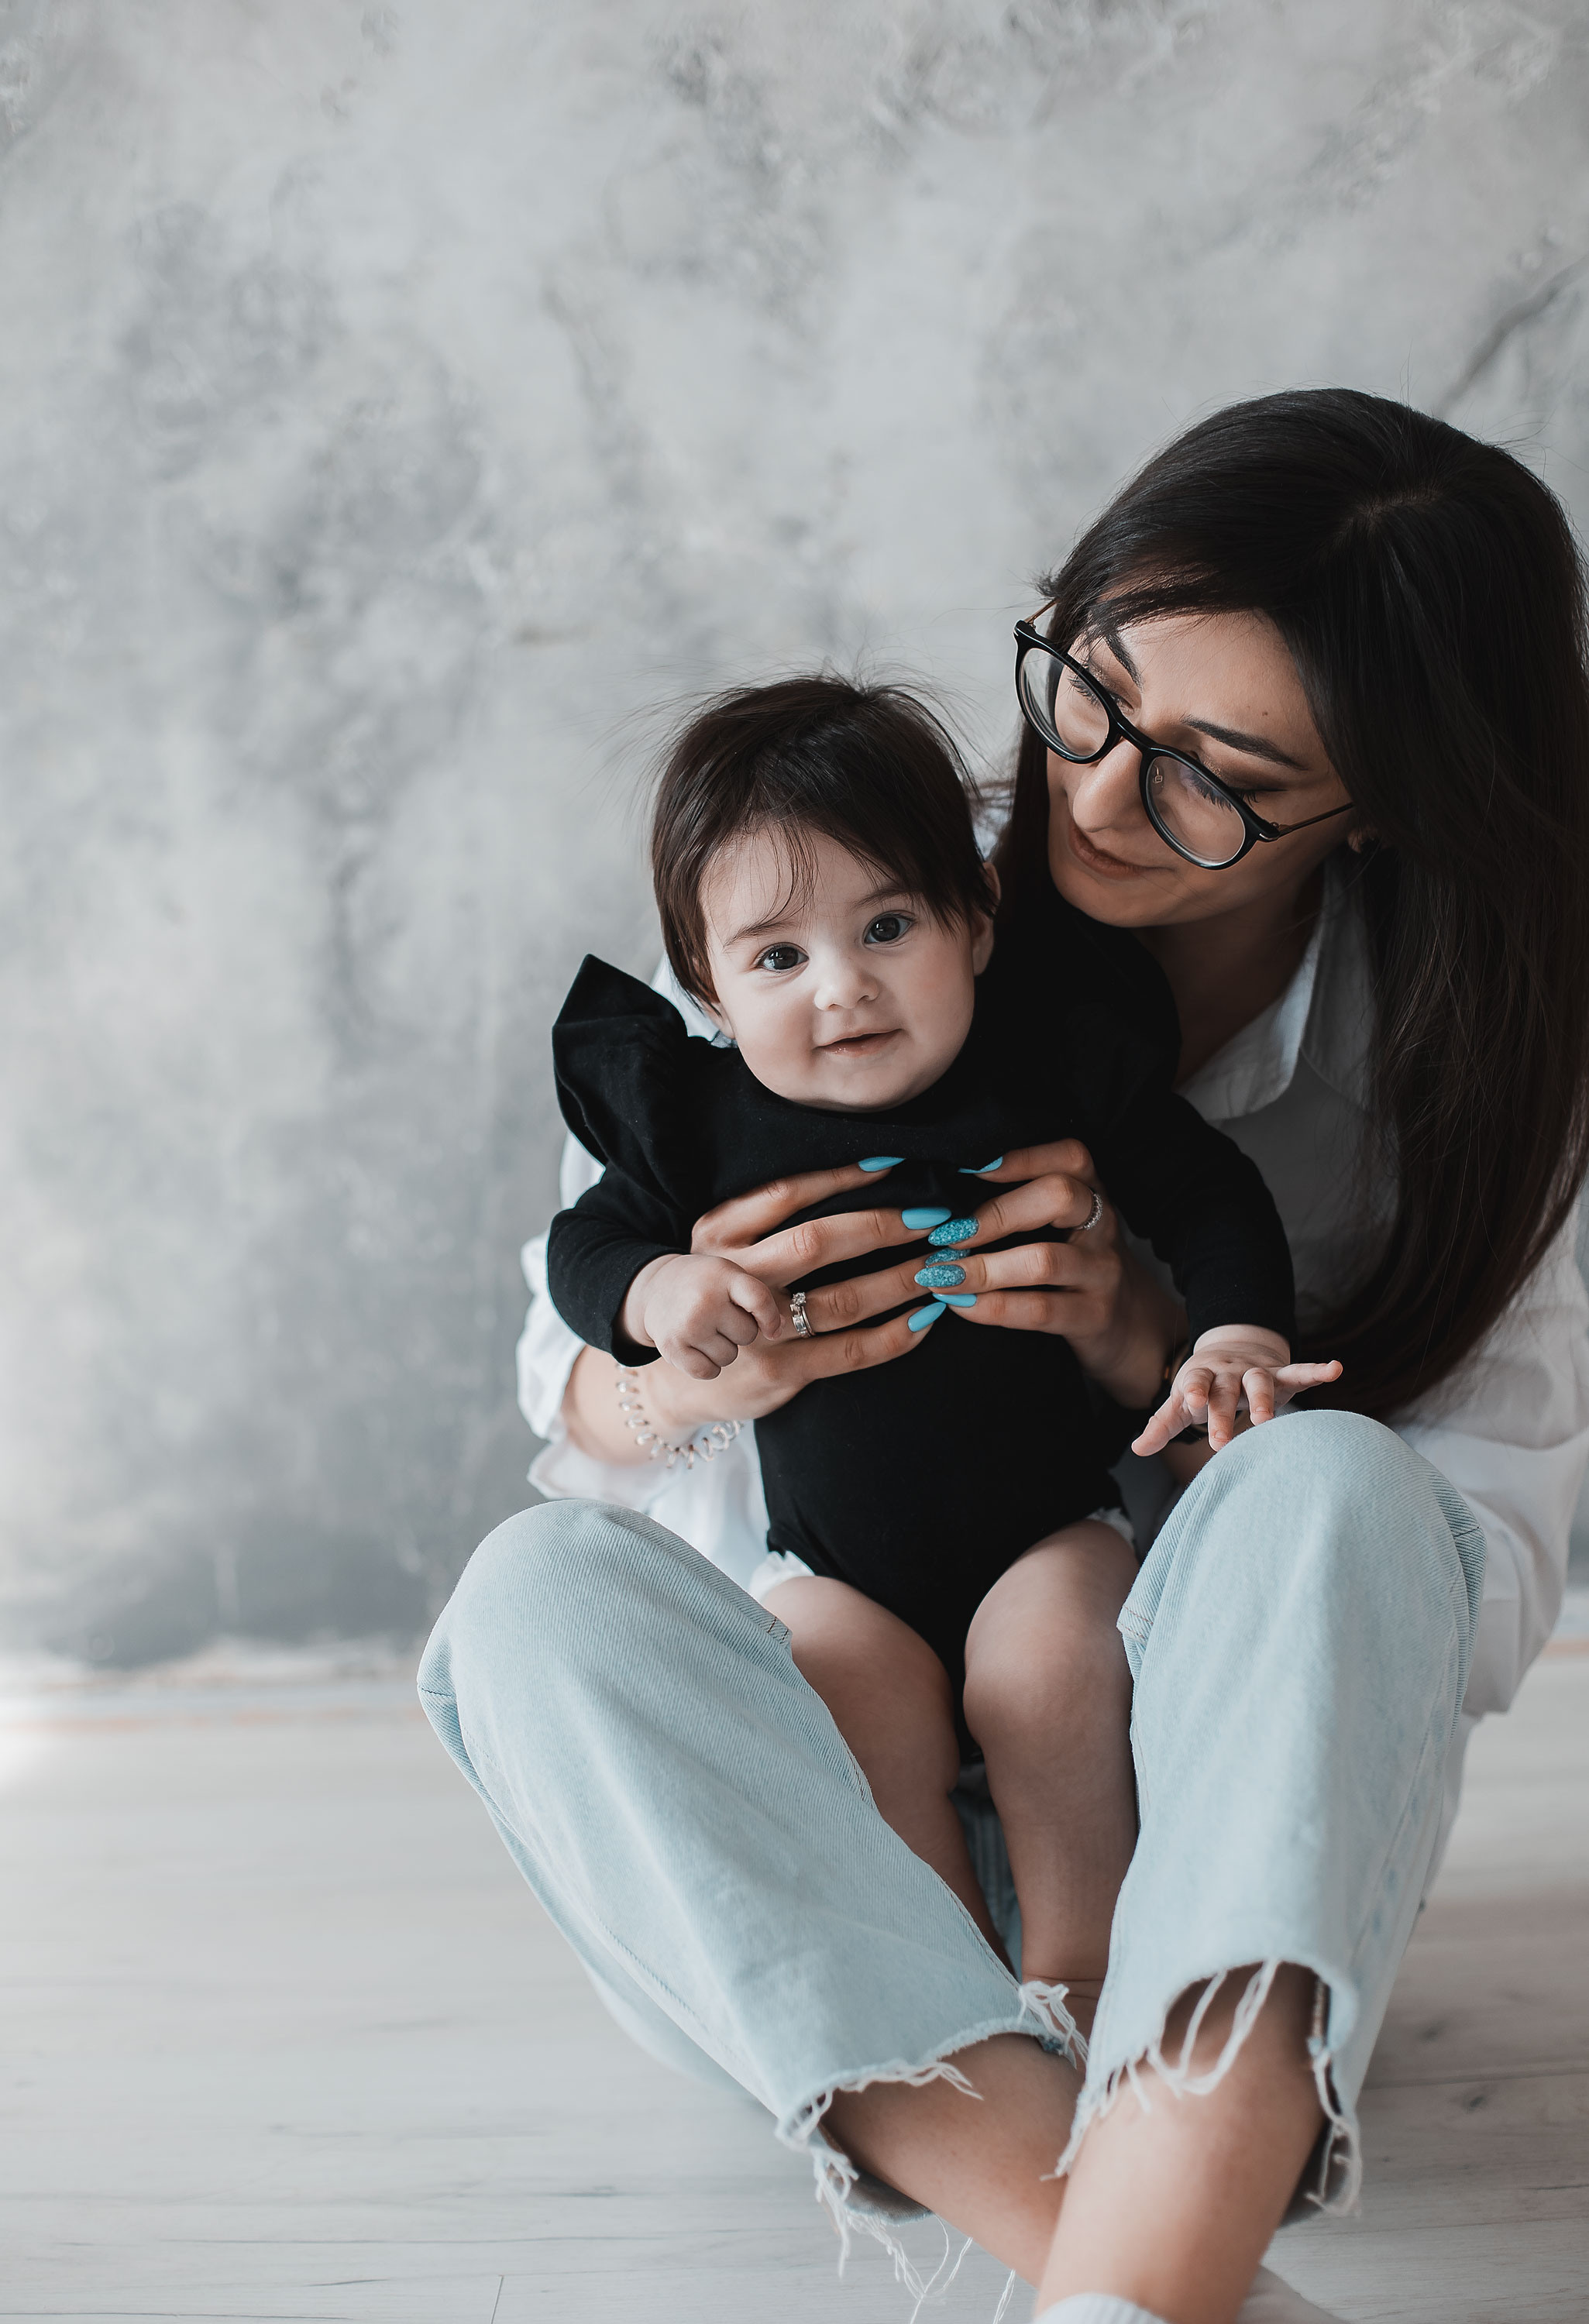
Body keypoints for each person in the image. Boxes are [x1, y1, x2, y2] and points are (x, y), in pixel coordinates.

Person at [419, 389, 1589, 2324]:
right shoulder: (818, 893)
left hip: (1210, 1840)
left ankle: (1127, 2216)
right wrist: (678, 1376)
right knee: (531, 1597)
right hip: (793, 1848)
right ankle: (1150, 2257)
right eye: (1091, 693)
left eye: (1218, 774)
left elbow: (1458, 1589)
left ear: (1376, 803)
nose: (1099, 795)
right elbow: (566, 1372)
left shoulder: (1474, 1070)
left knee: (1327, 1476)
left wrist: (1166, 1352)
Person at [546, 673, 1338, 2027]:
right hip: (829, 1564)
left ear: (974, 924)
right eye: (779, 958)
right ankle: (949, 1980)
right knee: (832, 1689)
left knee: (1049, 1676)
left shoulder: (1047, 1070)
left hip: (1049, 1528)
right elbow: (588, 1250)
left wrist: (1235, 1327)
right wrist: (660, 1292)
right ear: (711, 989)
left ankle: (1084, 1967)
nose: (844, 989)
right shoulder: (700, 1129)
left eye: (889, 925)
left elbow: (1205, 1192)